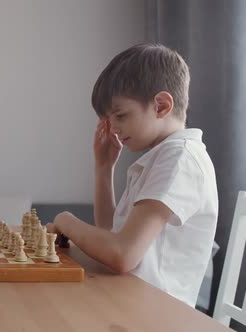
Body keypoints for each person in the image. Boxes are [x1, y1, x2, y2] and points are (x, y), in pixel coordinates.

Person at [48, 44, 218, 307]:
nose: (113, 129)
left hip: (156, 314)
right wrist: (104, 168)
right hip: (130, 299)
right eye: (108, 120)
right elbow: (111, 233)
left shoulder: (180, 158)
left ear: (161, 106)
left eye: (120, 115)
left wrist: (65, 219)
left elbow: (122, 254)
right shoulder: (160, 158)